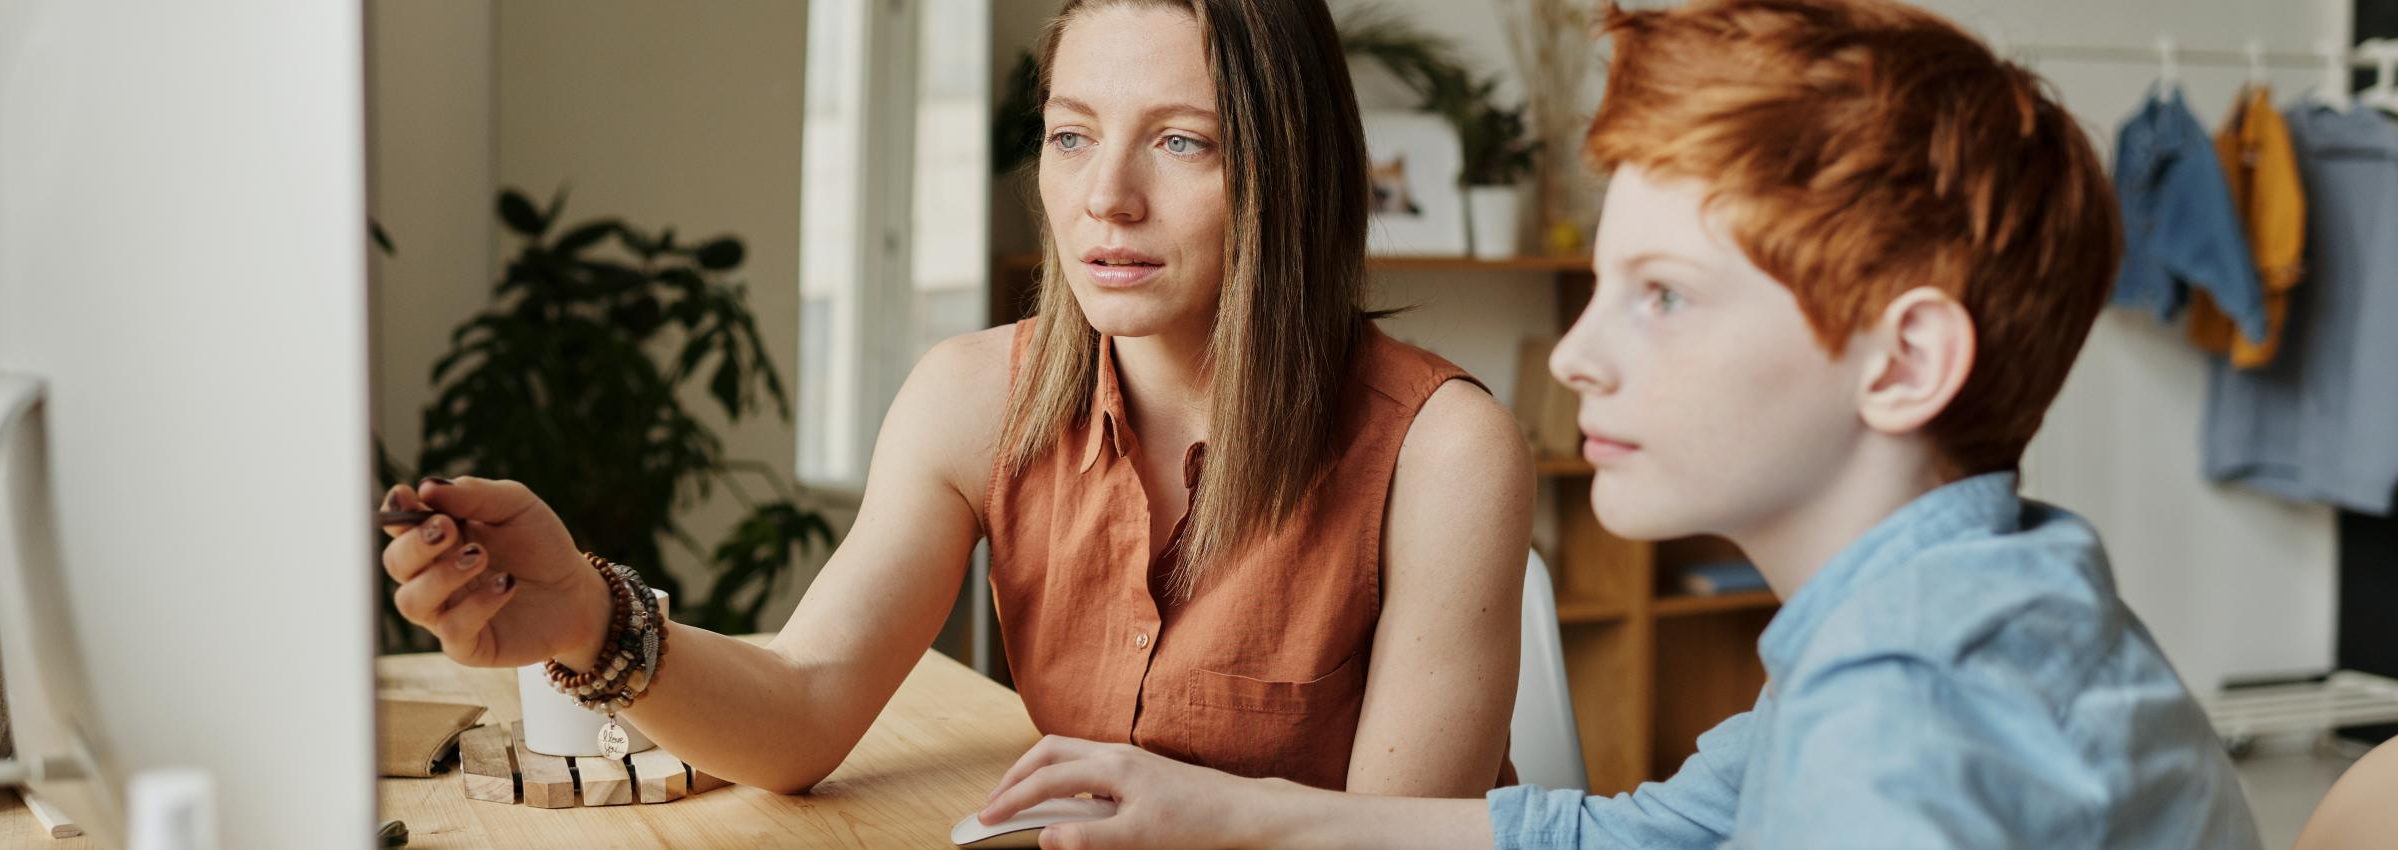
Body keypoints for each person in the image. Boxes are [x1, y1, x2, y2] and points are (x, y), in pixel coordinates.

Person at [970, 0, 2266, 847]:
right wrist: (1224, 810)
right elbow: (1640, 831)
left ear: (1906, 359)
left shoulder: (1902, 730)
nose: (1580, 357)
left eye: (1662, 297)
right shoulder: (1964, 596)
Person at [376, 0, 1534, 799]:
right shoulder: (975, 397)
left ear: (1291, 172)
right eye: (1070, 135)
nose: (1104, 200)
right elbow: (803, 706)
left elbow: (1399, 837)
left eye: (1183, 142)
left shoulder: (1445, 451)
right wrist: (584, 612)